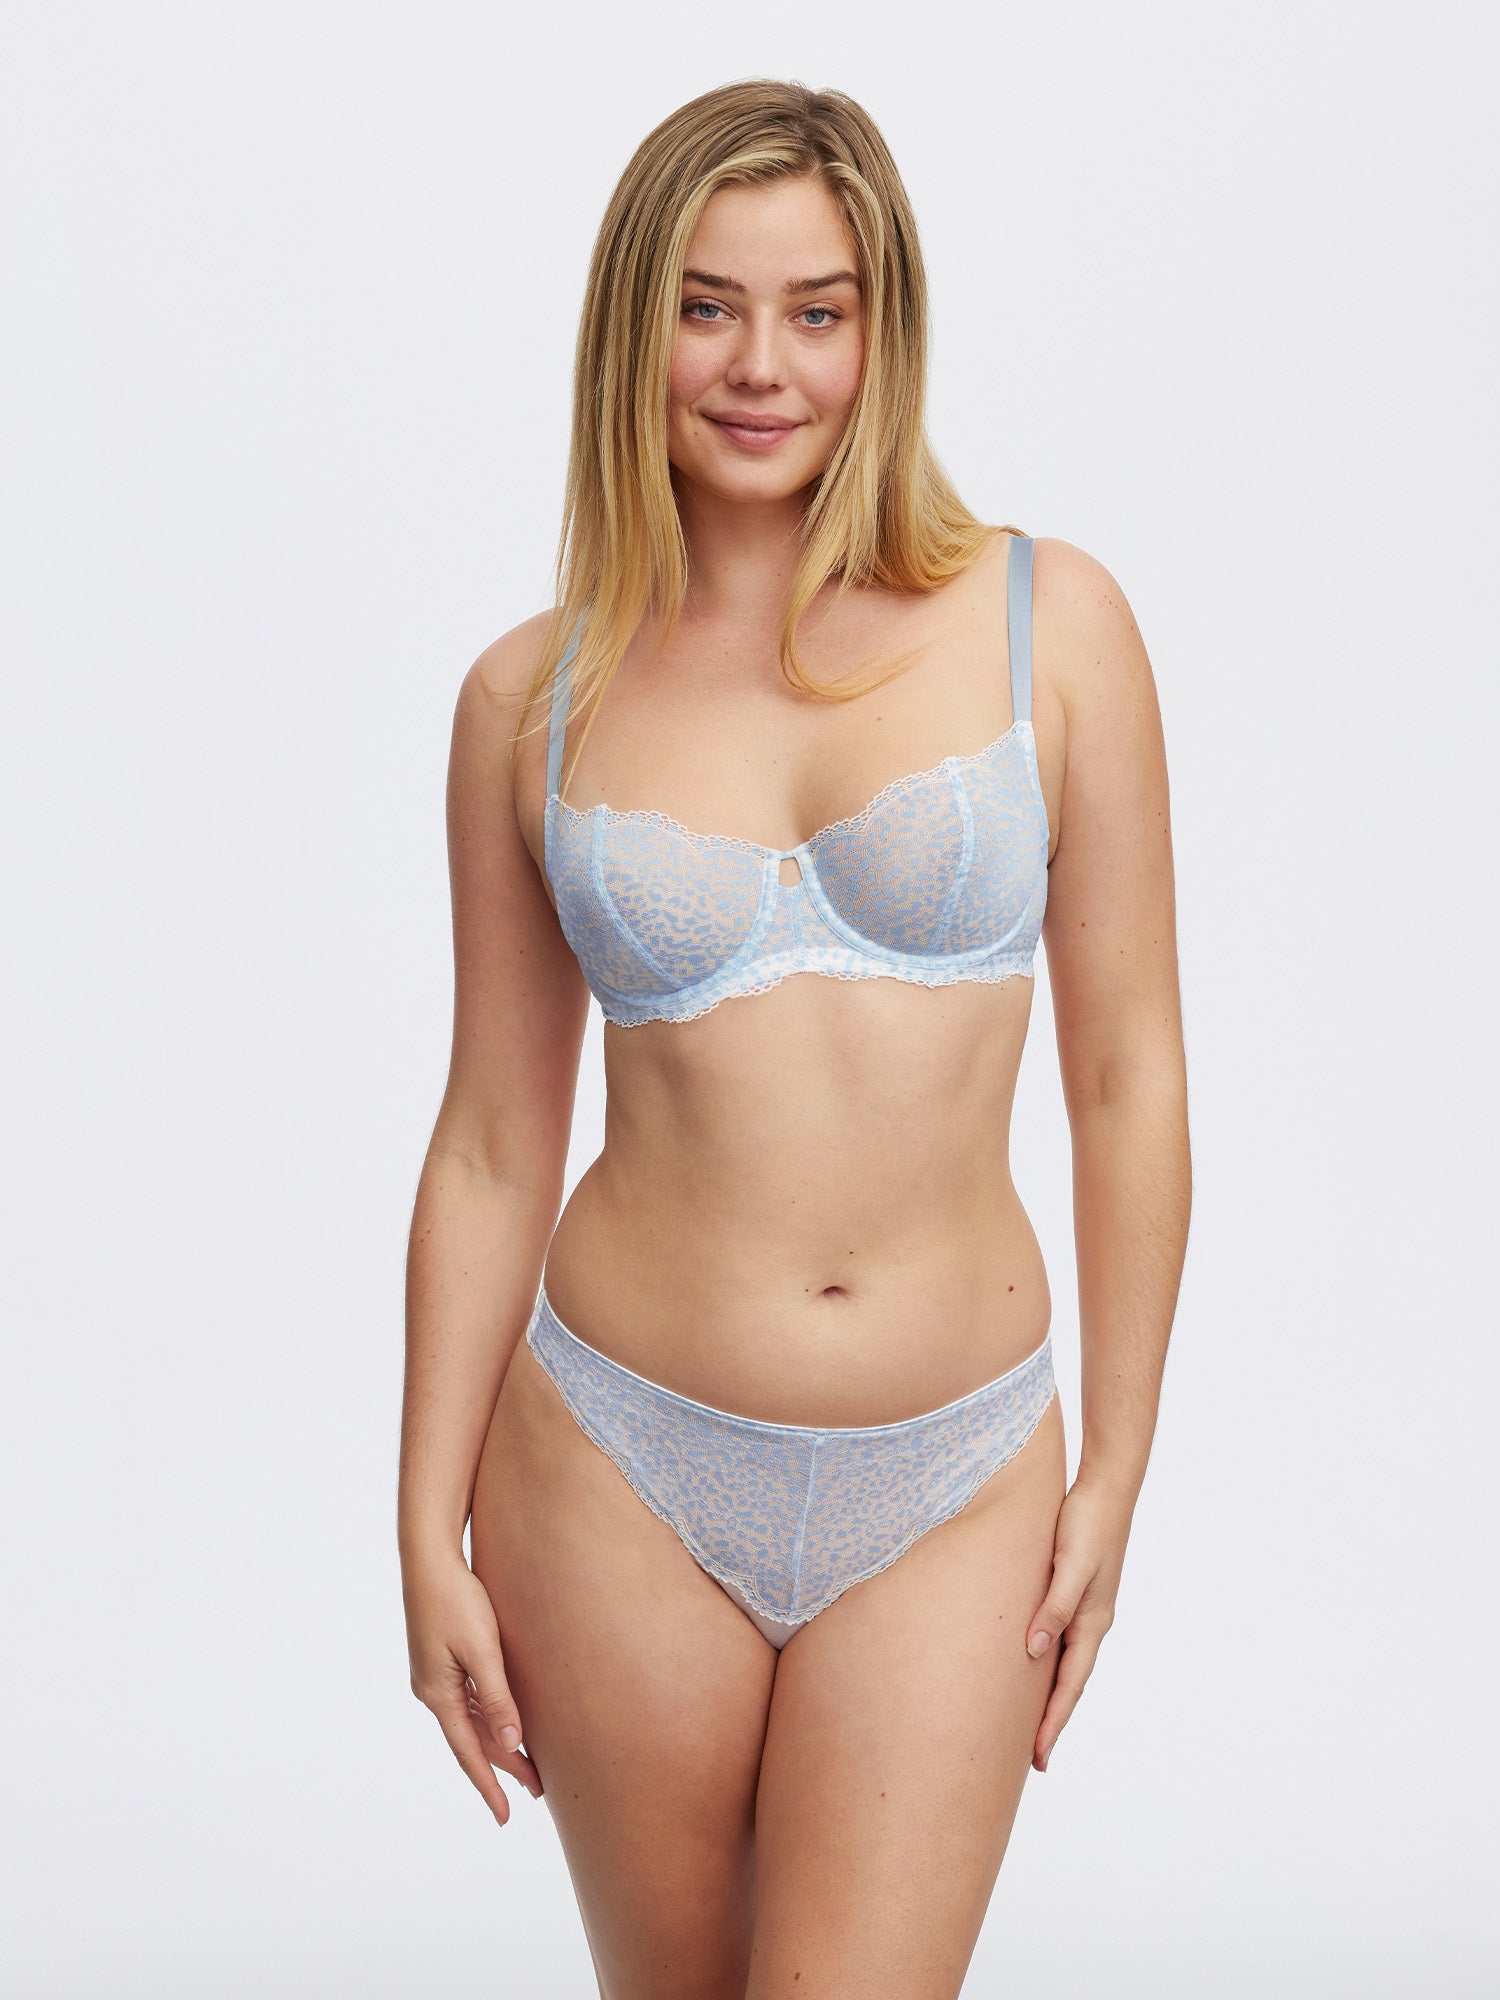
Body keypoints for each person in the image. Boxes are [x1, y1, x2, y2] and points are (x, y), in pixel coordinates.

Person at [398, 77, 1191, 2000]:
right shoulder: (527, 699)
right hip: (614, 1464)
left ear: (881, 332)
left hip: (958, 1475)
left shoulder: (1050, 622)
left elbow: (1129, 1077)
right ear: (634, 327)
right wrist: (423, 1518)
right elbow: (494, 1138)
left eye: (816, 311)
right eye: (708, 306)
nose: (762, 365)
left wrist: (1120, 1465)